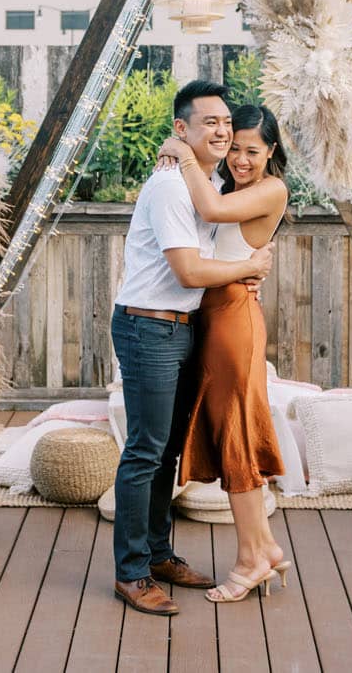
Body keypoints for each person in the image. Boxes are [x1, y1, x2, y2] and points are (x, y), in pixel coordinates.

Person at [111, 80, 273, 617]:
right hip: (148, 327)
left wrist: (248, 270)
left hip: (185, 328)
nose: (223, 132)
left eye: (227, 122)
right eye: (210, 123)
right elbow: (188, 271)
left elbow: (223, 241)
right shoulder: (169, 186)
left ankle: (159, 555)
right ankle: (132, 573)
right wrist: (249, 267)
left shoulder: (210, 184)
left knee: (166, 451)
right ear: (182, 129)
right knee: (144, 451)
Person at [158, 104, 292, 602]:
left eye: (252, 151)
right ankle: (265, 548)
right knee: (230, 433)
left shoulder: (270, 189)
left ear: (270, 151)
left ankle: (251, 559)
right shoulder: (229, 187)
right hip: (213, 318)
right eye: (234, 148)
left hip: (234, 321)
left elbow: (212, 213)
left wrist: (181, 153)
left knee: (236, 435)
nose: (240, 159)